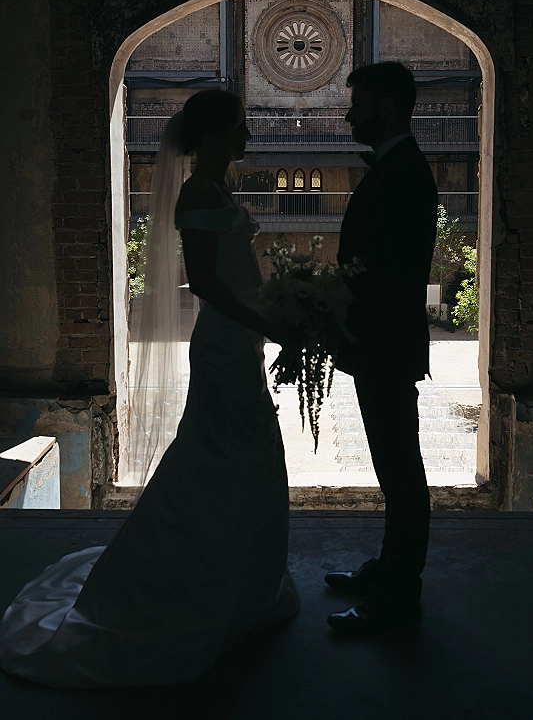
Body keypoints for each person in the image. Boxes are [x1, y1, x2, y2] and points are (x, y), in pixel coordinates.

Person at [0, 90, 299, 688]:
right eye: (239, 128)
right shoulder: (196, 193)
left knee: (241, 455)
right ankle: (198, 572)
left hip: (241, 342)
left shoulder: (218, 190)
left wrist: (279, 306)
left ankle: (234, 573)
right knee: (223, 452)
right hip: (225, 345)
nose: (248, 137)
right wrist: (272, 322)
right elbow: (207, 284)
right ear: (213, 136)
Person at [325, 62, 438, 634]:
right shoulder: (398, 168)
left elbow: (389, 275)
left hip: (386, 345)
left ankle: (398, 597)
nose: (349, 116)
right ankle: (390, 571)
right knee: (395, 470)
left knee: (401, 473)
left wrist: (336, 309)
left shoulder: (405, 173)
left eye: (359, 104)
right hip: (382, 344)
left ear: (387, 107)